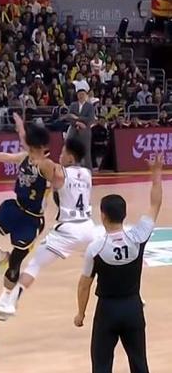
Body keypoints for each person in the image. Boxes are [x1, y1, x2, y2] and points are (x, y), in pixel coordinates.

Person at [74, 155, 163, 373]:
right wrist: (156, 174)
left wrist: (81, 314)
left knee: (102, 365)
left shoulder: (95, 248)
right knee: (139, 364)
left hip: (107, 311)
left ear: (103, 216)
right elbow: (155, 204)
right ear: (124, 215)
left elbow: (84, 285)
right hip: (133, 307)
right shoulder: (138, 237)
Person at [0, 134, 100, 318]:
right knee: (106, 262)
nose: (60, 155)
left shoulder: (60, 172)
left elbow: (42, 163)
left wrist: (29, 142)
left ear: (70, 158)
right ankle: (134, 295)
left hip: (68, 229)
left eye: (63, 152)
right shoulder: (87, 173)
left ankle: (10, 303)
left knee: (35, 264)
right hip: (89, 227)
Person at [0, 114, 62, 319]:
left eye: (32, 146)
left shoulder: (46, 165)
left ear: (41, 147)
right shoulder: (25, 156)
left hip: (32, 218)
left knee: (16, 262)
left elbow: (59, 184)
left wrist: (62, 206)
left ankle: (5, 300)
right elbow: (5, 156)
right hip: (15, 208)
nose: (28, 148)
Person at [66, 81, 95, 169]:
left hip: (85, 130)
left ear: (86, 95)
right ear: (77, 95)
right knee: (70, 149)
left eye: (83, 94)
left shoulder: (90, 106)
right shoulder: (73, 105)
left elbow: (90, 118)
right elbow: (69, 117)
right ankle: (70, 168)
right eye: (79, 94)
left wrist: (78, 118)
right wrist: (77, 123)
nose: (81, 96)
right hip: (73, 129)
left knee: (86, 151)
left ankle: (88, 170)